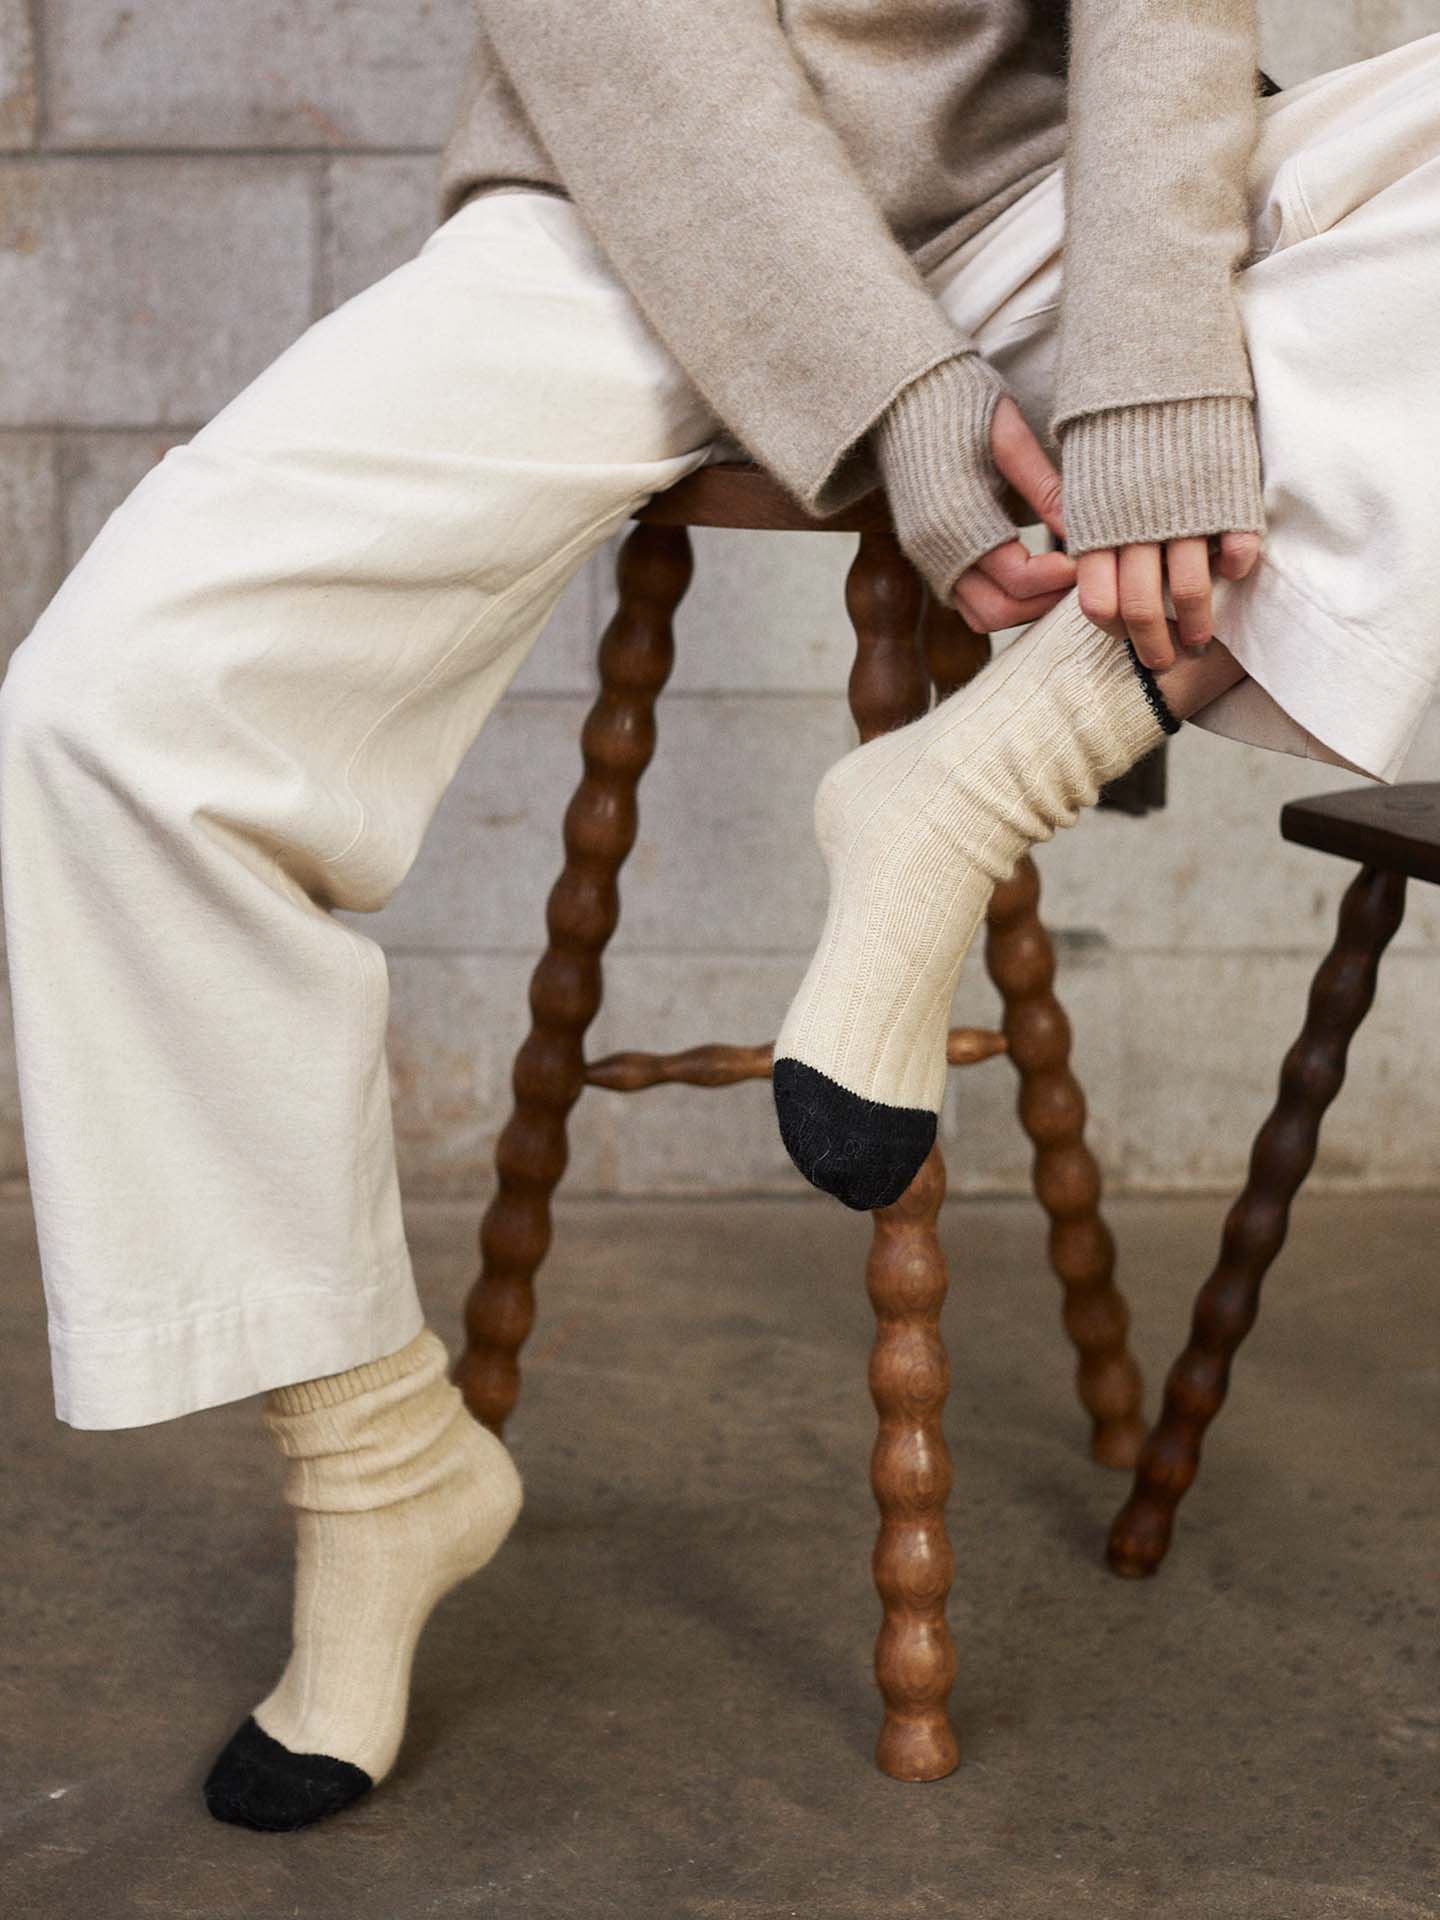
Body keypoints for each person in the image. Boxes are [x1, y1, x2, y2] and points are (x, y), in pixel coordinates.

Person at [1, 0, 1436, 1833]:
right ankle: (373, 1467)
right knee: (111, 714)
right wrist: (887, 389)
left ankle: (973, 780)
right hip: (635, 206)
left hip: (1053, 176)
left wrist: (1156, 363)